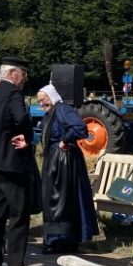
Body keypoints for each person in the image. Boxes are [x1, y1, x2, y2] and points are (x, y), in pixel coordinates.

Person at [0, 57, 47, 266]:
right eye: (24, 74)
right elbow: (23, 118)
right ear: (14, 74)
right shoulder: (13, 95)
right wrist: (26, 139)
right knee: (18, 215)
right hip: (9, 163)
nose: (25, 79)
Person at [37, 84, 98, 255]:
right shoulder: (50, 113)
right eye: (40, 102)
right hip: (54, 159)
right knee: (56, 200)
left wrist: (65, 140)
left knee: (62, 201)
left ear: (52, 97)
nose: (42, 104)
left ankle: (61, 240)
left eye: (44, 100)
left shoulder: (62, 109)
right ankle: (61, 240)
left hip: (65, 160)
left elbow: (80, 128)